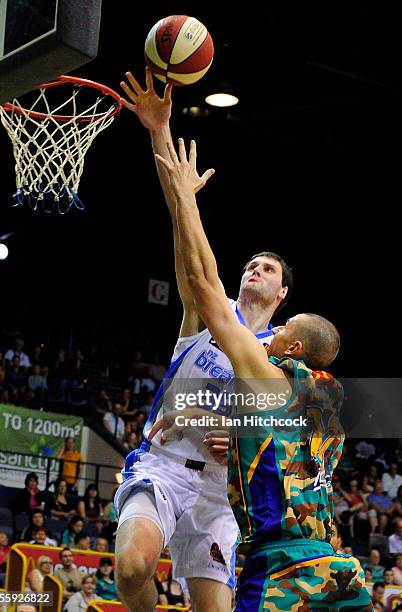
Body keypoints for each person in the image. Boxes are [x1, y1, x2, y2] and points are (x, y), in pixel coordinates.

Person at [150, 137, 372, 610]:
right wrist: (204, 419)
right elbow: (273, 435)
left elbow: (204, 284)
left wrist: (185, 197)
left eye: (280, 331)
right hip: (337, 569)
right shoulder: (329, 399)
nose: (267, 337)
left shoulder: (269, 372)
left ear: (292, 347)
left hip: (283, 572)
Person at [114, 69, 291, 612]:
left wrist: (234, 437)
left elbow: (281, 430)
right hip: (164, 466)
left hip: (218, 491)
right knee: (132, 567)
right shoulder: (205, 312)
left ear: (282, 294)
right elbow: (185, 230)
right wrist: (158, 132)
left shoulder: (278, 354)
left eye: (267, 268)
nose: (255, 269)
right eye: (251, 263)